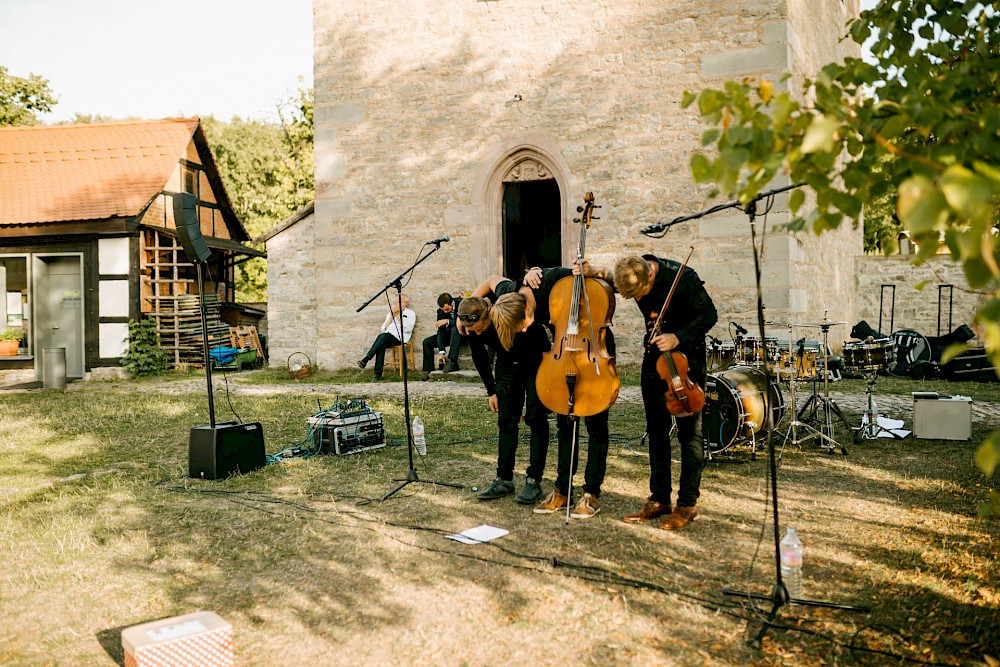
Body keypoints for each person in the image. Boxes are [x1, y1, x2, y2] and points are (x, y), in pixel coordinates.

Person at [615, 254, 717, 530]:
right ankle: (660, 498)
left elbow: (710, 314)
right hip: (655, 359)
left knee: (689, 434)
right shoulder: (633, 272)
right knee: (656, 431)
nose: (641, 298)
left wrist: (678, 336)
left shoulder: (684, 279)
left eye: (641, 293)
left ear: (650, 275)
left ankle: (688, 504)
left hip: (686, 362)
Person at [527, 261, 616, 520]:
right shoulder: (545, 282)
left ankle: (592, 492)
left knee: (596, 424)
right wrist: (527, 272)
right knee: (564, 423)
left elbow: (617, 285)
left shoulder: (591, 280)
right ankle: (562, 488)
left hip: (593, 352)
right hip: (564, 352)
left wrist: (595, 271)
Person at [457, 288, 550, 504]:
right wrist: (491, 391)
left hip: (535, 364)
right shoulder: (471, 328)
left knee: (536, 420)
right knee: (506, 421)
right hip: (507, 367)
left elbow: (543, 344)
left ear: (488, 314)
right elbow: (480, 357)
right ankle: (504, 478)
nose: (478, 334)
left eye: (480, 329)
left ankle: (534, 480)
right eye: (473, 330)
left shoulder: (508, 313)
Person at [357, 295, 416, 381]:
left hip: (400, 339)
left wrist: (399, 316)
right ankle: (378, 374)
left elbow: (408, 329)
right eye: (396, 302)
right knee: (381, 343)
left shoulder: (410, 313)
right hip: (387, 337)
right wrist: (392, 317)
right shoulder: (390, 313)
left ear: (406, 303)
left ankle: (367, 359)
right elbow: (383, 329)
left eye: (401, 302)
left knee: (382, 337)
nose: (398, 304)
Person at [421, 292, 463, 374]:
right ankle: (428, 371)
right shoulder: (441, 312)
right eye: (443, 310)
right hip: (451, 335)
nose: (445, 312)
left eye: (447, 309)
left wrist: (447, 321)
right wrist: (441, 351)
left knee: (455, 328)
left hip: (464, 334)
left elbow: (464, 321)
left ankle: (453, 362)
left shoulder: (461, 304)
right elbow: (441, 331)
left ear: (452, 303)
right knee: (427, 342)